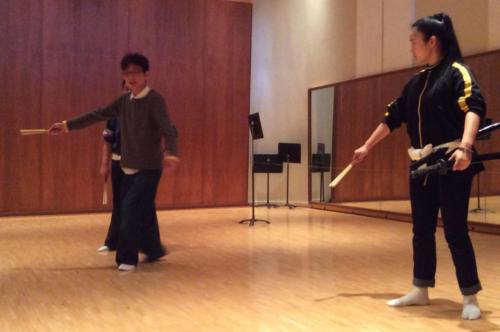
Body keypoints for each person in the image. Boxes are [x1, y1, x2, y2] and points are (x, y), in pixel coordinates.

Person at [352, 13, 485, 320]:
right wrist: (366, 147)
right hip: (420, 166)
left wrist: (465, 147)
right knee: (421, 231)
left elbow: (474, 108)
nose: (411, 47)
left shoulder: (457, 72)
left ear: (432, 41)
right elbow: (392, 118)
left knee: (455, 231)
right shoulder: (415, 82)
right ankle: (420, 289)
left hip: (451, 163)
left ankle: (470, 296)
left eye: (414, 41)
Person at [49, 53, 179, 271]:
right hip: (127, 167)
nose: (131, 77)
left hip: (149, 168)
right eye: (127, 73)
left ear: (146, 74)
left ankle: (127, 259)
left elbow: (169, 129)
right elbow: (97, 114)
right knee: (141, 210)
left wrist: (172, 153)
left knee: (129, 210)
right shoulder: (124, 101)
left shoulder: (155, 100)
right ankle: (154, 249)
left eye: (136, 72)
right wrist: (66, 125)